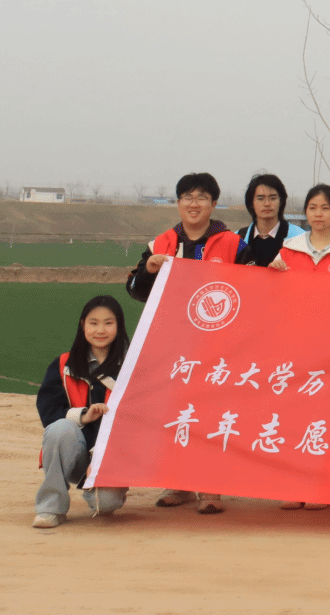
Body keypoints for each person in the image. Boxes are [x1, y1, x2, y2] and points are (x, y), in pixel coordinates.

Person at [33, 295, 130, 529]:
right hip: (73, 452)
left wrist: (101, 458)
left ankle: (100, 489)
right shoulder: (63, 365)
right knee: (59, 429)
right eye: (93, 323)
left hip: (113, 456)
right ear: (82, 325)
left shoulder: (132, 367)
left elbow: (140, 420)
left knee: (104, 505)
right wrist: (83, 416)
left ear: (119, 326)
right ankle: (50, 507)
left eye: (108, 323)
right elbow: (48, 410)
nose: (100, 330)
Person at [125, 171, 238, 301]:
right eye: (188, 198)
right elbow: (137, 293)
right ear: (179, 203)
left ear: (213, 204)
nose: (194, 204)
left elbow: (250, 287)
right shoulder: (158, 245)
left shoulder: (234, 244)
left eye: (201, 198)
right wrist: (148, 273)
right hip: (170, 314)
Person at [274, 184, 330, 276]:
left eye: (325, 208)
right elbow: (274, 283)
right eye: (312, 208)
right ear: (306, 211)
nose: (318, 214)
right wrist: (272, 271)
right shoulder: (287, 252)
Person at [234, 172, 302, 267]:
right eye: (260, 198)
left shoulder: (299, 238)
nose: (267, 204)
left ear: (281, 201)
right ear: (251, 203)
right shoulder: (237, 239)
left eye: (273, 198)